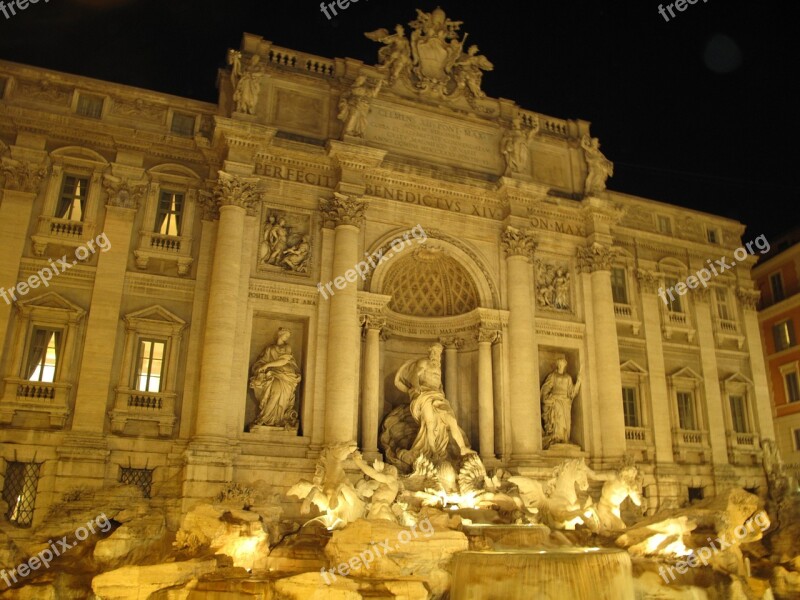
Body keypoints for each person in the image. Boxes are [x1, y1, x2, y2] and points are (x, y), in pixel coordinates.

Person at [394, 343, 474, 465]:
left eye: (438, 353)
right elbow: (415, 375)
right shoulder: (424, 362)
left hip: (438, 397)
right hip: (424, 395)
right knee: (430, 424)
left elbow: (439, 384)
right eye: (435, 352)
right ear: (430, 352)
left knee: (452, 421)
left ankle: (462, 448)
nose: (436, 355)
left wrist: (442, 395)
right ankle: (433, 451)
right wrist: (416, 387)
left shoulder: (438, 367)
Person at [248, 328, 301, 428]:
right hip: (272, 374)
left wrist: (267, 365)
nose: (286, 338)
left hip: (286, 375)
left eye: (288, 337)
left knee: (279, 394)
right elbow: (261, 361)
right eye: (286, 335)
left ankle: (274, 419)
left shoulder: (287, 347)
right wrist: (261, 367)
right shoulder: (269, 348)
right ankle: (266, 418)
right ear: (280, 334)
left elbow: (284, 361)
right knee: (274, 393)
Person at [540, 358, 581, 446]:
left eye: (563, 364)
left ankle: (564, 438)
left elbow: (572, 392)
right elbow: (546, 388)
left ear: (565, 365)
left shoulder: (568, 378)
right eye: (560, 364)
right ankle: (557, 438)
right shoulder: (553, 376)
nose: (561, 365)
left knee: (566, 421)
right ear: (557, 365)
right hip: (556, 400)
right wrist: (548, 397)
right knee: (558, 418)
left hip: (566, 402)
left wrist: (578, 381)